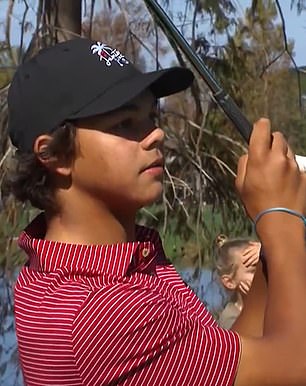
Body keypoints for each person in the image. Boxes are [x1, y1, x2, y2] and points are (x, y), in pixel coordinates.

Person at [7, 37, 306, 386]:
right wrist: (281, 216)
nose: (157, 134)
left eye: (151, 116)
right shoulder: (103, 311)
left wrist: (275, 236)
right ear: (53, 155)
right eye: (124, 123)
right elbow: (294, 370)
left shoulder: (65, 271)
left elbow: (231, 363)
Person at [214, 235, 261, 329]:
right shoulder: (230, 319)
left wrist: (269, 251)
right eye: (253, 271)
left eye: (263, 268)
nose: (261, 275)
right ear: (229, 282)